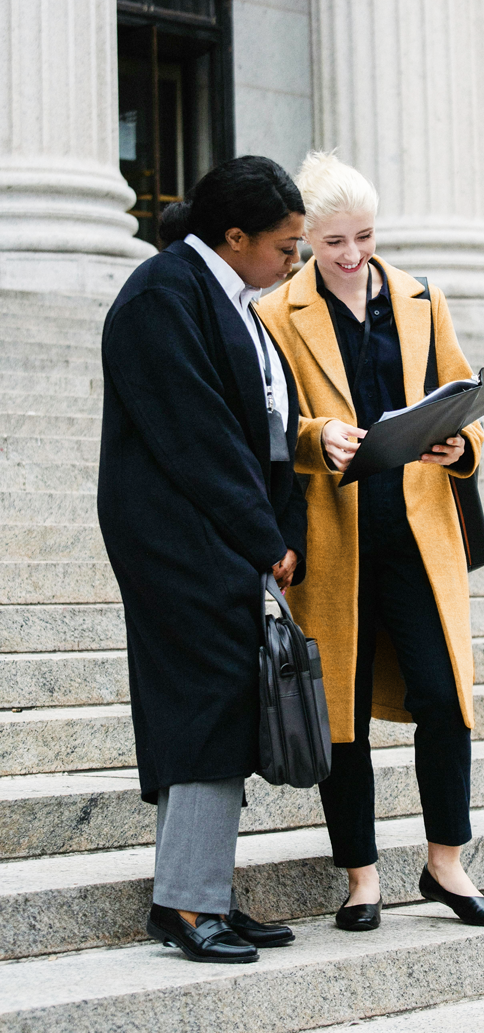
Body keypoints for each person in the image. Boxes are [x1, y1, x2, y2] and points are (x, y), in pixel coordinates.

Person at [257, 151, 484, 931]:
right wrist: (314, 435)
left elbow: (467, 400)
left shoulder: (422, 298)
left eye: (364, 236)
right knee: (344, 713)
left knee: (446, 699)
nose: (353, 255)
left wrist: (460, 446)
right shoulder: (276, 313)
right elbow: (264, 425)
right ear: (305, 238)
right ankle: (362, 877)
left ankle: (446, 866)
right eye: (333, 241)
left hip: (419, 534)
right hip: (335, 542)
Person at [98, 156, 308, 963]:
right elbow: (197, 437)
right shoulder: (161, 293)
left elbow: (267, 427)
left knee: (218, 701)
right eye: (286, 248)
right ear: (234, 236)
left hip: (218, 531)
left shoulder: (235, 301)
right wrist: (264, 535)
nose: (294, 262)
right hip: (176, 533)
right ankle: (190, 906)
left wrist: (276, 528)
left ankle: (197, 894)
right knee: (206, 701)